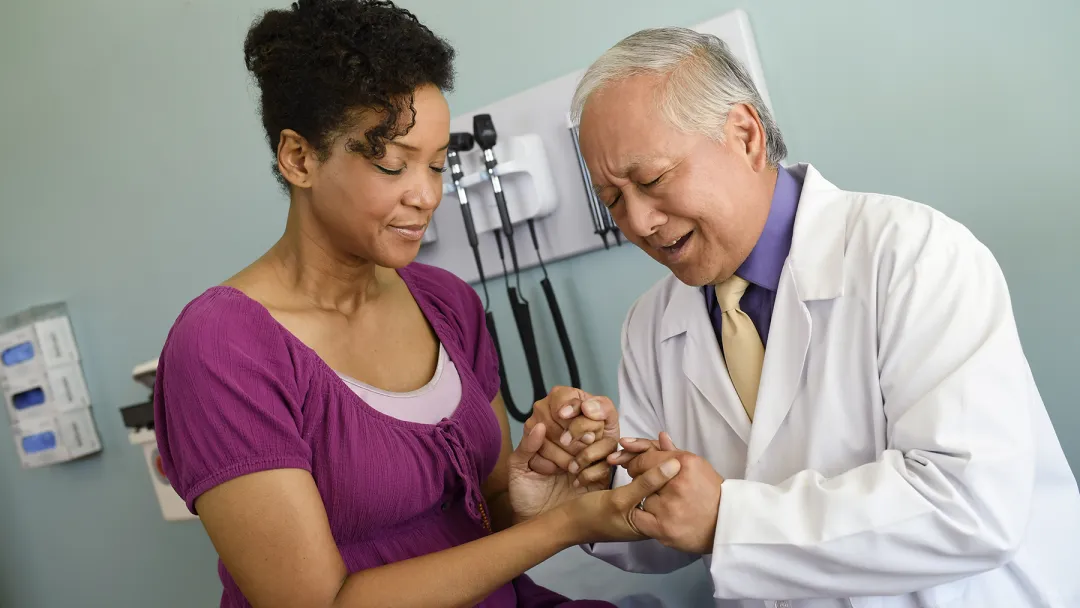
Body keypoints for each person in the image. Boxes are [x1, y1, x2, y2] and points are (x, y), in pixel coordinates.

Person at [527, 26, 1080, 607]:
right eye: (612, 199)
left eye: (651, 179)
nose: (637, 221)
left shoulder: (912, 254)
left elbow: (969, 504)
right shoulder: (650, 326)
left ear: (744, 137)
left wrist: (731, 521)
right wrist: (591, 496)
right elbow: (668, 537)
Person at [152, 3, 678, 607]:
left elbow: (484, 524)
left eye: (436, 165)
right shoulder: (222, 347)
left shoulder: (446, 303)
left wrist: (540, 497)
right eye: (392, 165)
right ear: (299, 158)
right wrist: (572, 525)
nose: (426, 195)